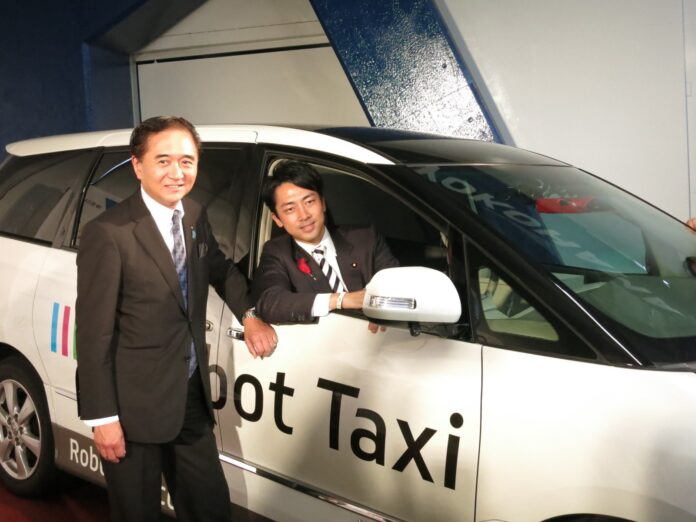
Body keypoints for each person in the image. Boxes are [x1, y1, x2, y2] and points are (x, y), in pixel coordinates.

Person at [76, 116, 277, 522]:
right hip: (131, 409)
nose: (177, 172)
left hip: (189, 397)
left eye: (187, 161)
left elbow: (220, 269)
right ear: (138, 166)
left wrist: (251, 315)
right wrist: (103, 418)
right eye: (163, 160)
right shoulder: (109, 232)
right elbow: (94, 335)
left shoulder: (194, 215)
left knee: (210, 508)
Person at [252, 160, 398, 329]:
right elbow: (270, 303)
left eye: (309, 202)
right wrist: (340, 300)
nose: (304, 215)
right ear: (277, 219)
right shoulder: (277, 252)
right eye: (290, 209)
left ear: (323, 203)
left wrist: (383, 310)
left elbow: (398, 287)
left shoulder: (366, 238)